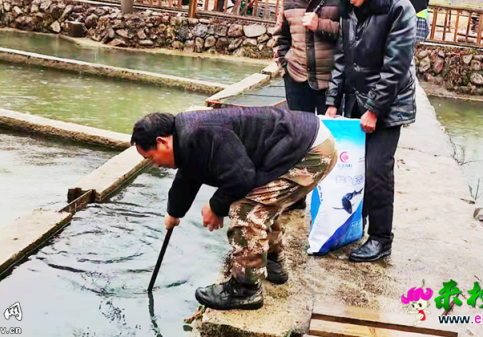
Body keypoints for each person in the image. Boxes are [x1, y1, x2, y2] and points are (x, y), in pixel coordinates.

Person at [131, 107, 337, 310]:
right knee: (263, 199)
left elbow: (241, 176)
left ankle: (245, 290)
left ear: (162, 142)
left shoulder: (200, 132)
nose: (155, 165)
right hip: (306, 142)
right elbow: (189, 175)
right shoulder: (187, 135)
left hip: (310, 153)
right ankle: (272, 262)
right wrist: (174, 212)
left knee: (247, 208)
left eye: (150, 158)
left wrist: (215, 206)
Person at [325, 0, 416, 262]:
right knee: (353, 170)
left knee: (377, 171)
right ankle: (355, 226)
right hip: (355, 99)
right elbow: (342, 58)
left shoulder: (399, 10)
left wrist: (375, 109)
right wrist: (332, 102)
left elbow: (396, 67)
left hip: (389, 106)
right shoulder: (349, 11)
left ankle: (381, 238)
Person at [273, 0, 341, 115]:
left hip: (329, 82)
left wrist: (321, 25)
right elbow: (280, 36)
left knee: (328, 135)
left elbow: (349, 35)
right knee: (299, 133)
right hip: (296, 78)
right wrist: (284, 68)